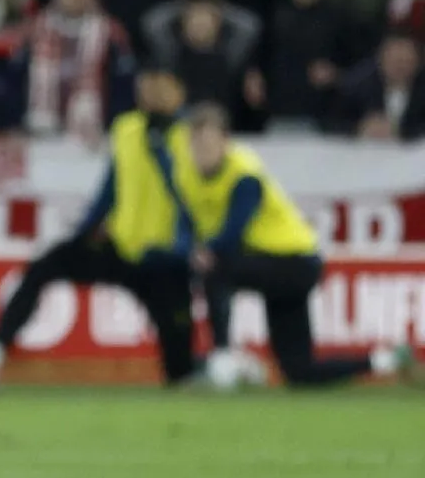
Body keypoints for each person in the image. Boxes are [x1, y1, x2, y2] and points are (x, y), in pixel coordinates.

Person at [0, 70, 200, 391]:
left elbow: (190, 198)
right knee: (42, 268)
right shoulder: (127, 128)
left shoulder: (190, 138)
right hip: (121, 247)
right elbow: (112, 186)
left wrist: (161, 155)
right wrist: (84, 232)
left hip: (165, 257)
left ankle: (198, 369)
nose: (153, 94)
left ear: (179, 93)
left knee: (178, 365)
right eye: (147, 86)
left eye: (162, 87)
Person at [175, 103, 415, 387]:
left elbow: (232, 232)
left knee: (216, 268)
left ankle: (223, 357)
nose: (202, 152)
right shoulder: (186, 175)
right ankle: (384, 359)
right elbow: (184, 225)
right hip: (274, 265)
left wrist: (202, 252)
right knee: (299, 371)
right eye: (196, 143)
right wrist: (190, 248)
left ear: (226, 142)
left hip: (295, 262)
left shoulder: (245, 174)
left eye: (208, 143)